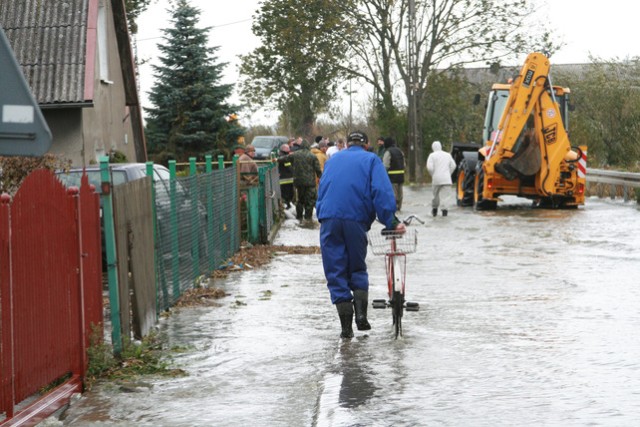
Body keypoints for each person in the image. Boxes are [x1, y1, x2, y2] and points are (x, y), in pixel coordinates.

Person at [316, 130, 406, 339]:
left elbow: (322, 191)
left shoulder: (332, 160)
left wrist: (322, 214)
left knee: (335, 271)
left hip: (329, 219)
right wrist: (390, 220)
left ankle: (346, 329)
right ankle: (361, 318)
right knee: (356, 266)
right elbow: (381, 192)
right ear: (365, 145)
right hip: (355, 219)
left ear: (347, 145)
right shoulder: (371, 160)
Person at [285, 139, 322, 221]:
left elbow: (285, 158)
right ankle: (308, 217)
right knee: (310, 201)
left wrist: (276, 159)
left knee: (300, 200)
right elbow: (318, 170)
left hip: (298, 182)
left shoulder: (295, 154)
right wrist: (322, 178)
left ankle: (299, 217)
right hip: (310, 183)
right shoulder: (312, 156)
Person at [426, 140, 456, 216]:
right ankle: (444, 213)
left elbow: (429, 168)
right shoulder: (448, 155)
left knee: (435, 196)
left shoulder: (432, 155)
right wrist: (448, 173)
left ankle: (434, 211)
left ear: (433, 148)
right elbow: (454, 166)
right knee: (445, 197)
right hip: (447, 179)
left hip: (436, 179)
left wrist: (433, 174)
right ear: (440, 146)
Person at [382, 136, 405, 211]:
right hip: (401, 177)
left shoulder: (388, 152)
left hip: (392, 177)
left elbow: (385, 165)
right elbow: (404, 164)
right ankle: (399, 208)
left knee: (393, 195)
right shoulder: (400, 151)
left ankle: (394, 210)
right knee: (400, 195)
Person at [277, 144, 294, 209]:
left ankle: (288, 204)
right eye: (287, 148)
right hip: (285, 179)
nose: (289, 149)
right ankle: (286, 204)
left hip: (287, 178)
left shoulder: (285, 156)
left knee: (289, 192)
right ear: (283, 149)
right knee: (286, 193)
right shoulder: (283, 157)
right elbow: (288, 166)